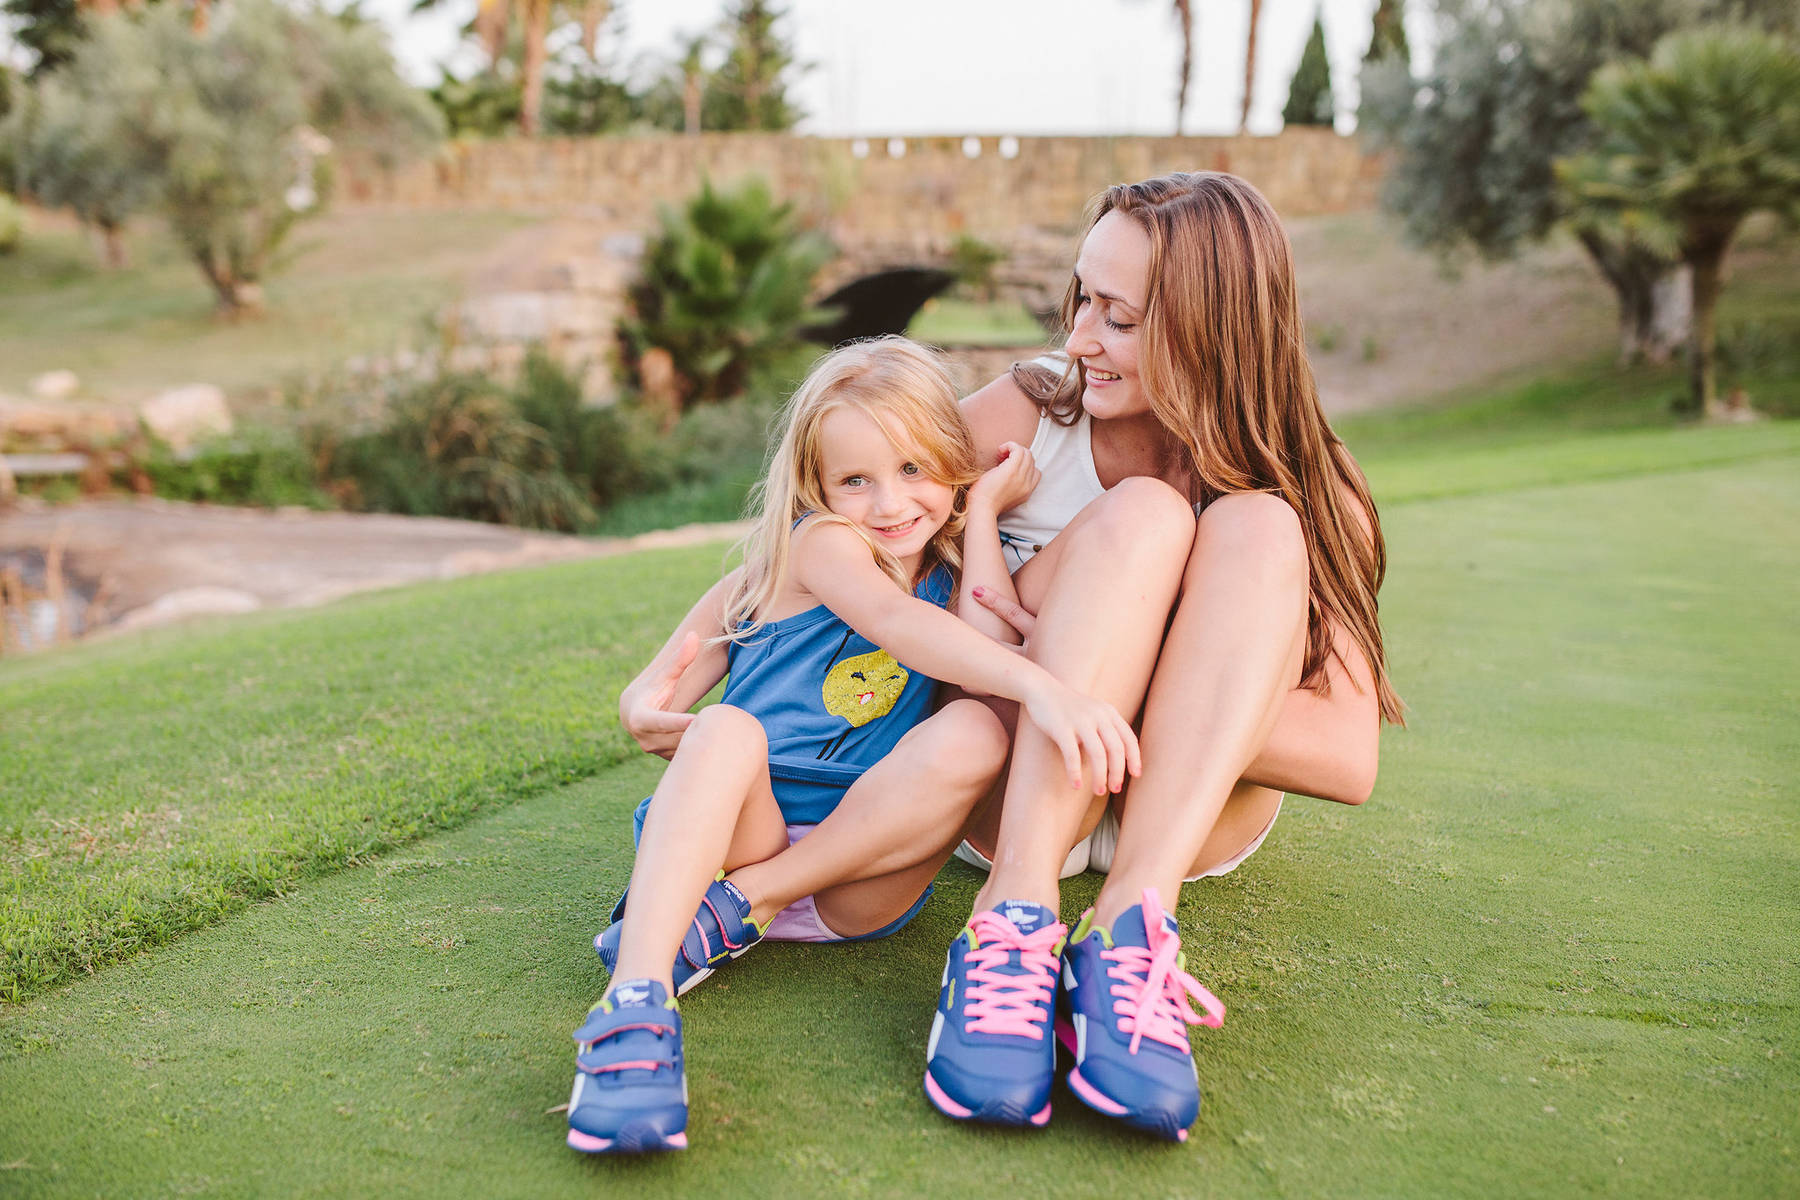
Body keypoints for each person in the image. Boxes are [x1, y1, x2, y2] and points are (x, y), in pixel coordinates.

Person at [568, 336, 1142, 1155]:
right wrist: (643, 698)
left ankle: (746, 910)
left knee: (978, 728)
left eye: (914, 470)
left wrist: (976, 513)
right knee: (730, 730)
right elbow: (883, 626)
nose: (890, 503)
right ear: (819, 488)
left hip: (860, 871)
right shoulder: (818, 547)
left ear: (952, 458)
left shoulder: (940, 564)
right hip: (738, 839)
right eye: (856, 480)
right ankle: (636, 1004)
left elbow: (977, 645)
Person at [922, 172, 1404, 1141]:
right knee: (1141, 513)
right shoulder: (1027, 414)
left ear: (1214, 331)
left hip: (1189, 828)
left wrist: (1126, 666)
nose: (1079, 338)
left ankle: (1131, 935)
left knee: (1261, 525)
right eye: (1081, 300)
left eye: (1120, 317)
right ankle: (1010, 924)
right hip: (1007, 799)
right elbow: (837, 537)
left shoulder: (1318, 486)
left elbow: (1347, 760)